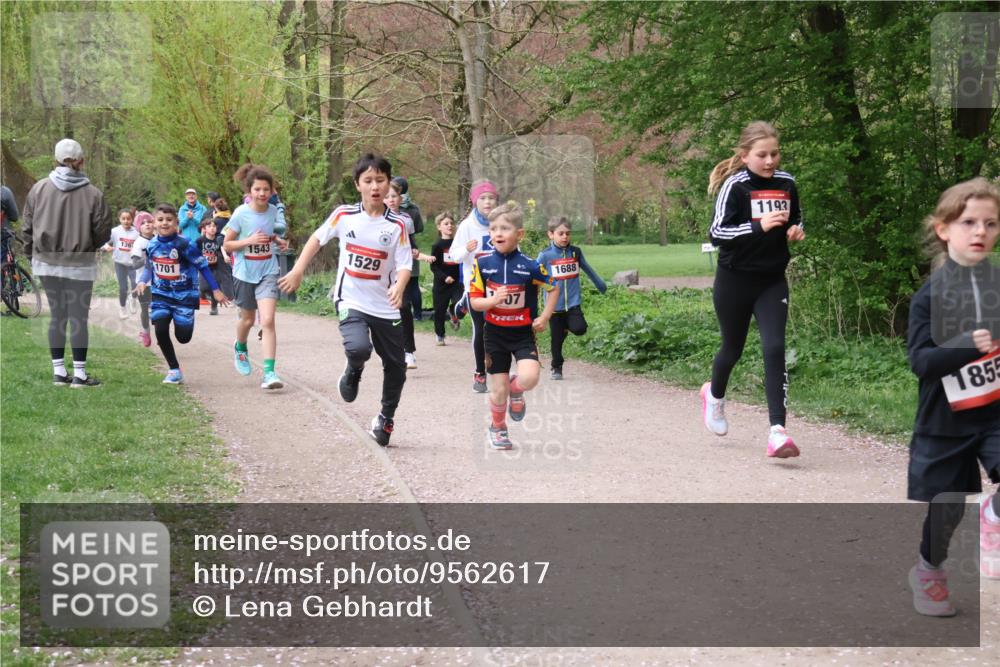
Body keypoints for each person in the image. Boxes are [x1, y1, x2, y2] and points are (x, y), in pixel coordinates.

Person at [905, 177, 1000, 617]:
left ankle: (993, 515)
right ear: (943, 229)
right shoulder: (931, 295)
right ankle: (929, 571)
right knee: (947, 510)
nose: (980, 231)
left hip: (994, 414)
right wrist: (965, 343)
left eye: (990, 223)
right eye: (968, 223)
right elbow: (922, 362)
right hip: (946, 422)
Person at [278, 153, 412, 447]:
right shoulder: (344, 215)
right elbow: (317, 238)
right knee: (359, 347)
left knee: (397, 365)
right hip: (350, 297)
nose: (375, 186)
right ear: (358, 185)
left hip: (384, 303)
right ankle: (354, 368)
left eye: (380, 180)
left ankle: (385, 418)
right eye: (368, 181)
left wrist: (400, 286)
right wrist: (298, 270)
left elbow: (405, 263)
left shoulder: (399, 225)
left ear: (389, 184)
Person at [701, 121, 804, 458]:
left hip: (772, 280)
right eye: (762, 155)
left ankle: (778, 431)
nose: (770, 160)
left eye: (775, 153)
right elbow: (717, 232)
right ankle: (714, 397)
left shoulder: (787, 183)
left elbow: (796, 219)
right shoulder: (736, 186)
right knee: (732, 349)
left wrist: (795, 231)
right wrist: (757, 226)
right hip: (734, 280)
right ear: (745, 156)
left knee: (774, 347)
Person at [468, 201, 559, 450]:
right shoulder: (483, 264)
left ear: (519, 234)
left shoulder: (530, 266)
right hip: (494, 334)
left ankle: (515, 391)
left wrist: (545, 316)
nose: (498, 233)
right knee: (497, 391)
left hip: (522, 334)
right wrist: (492, 300)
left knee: (530, 378)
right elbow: (474, 302)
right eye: (493, 228)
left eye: (505, 228)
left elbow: (554, 287)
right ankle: (498, 427)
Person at [22, 138, 112, 387]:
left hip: (47, 262)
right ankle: (80, 375)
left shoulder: (38, 190)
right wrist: (87, 245)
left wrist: (31, 255)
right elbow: (103, 231)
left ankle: (59, 372)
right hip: (80, 263)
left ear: (55, 159)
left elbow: (27, 227)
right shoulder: (94, 194)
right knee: (78, 318)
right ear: (81, 161)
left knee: (57, 316)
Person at [135, 204, 227, 384]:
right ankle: (174, 370)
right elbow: (149, 267)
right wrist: (142, 281)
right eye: (160, 220)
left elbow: (203, 266)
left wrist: (215, 289)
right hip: (161, 294)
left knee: (183, 337)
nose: (164, 223)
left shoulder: (185, 244)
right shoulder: (152, 244)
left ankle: (185, 323)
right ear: (154, 223)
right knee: (160, 329)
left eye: (169, 220)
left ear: (176, 222)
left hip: (184, 296)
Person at [223, 165, 288, 390]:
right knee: (248, 320)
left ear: (272, 191)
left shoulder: (273, 212)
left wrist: (277, 241)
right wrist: (248, 242)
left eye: (266, 189)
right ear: (249, 191)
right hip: (244, 273)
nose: (262, 193)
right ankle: (240, 346)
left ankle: (269, 372)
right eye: (257, 189)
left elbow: (269, 235)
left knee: (268, 320)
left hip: (268, 271)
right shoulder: (241, 213)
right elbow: (227, 244)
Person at [536, 216, 607, 380]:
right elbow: (534, 273)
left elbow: (587, 268)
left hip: (573, 303)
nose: (565, 237)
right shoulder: (545, 255)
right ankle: (556, 367)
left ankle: (566, 327)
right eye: (560, 233)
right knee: (556, 340)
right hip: (554, 307)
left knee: (580, 328)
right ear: (551, 234)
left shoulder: (575, 252)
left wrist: (600, 284)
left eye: (568, 233)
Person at [450, 179, 500, 392]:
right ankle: (480, 373)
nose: (487, 202)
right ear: (474, 201)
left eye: (491, 198)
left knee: (497, 329)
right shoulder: (467, 226)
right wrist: (466, 250)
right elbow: (454, 255)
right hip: (476, 288)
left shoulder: (501, 221)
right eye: (483, 198)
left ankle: (498, 367)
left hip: (498, 287)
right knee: (481, 330)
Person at [386, 179, 433, 368]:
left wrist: (415, 252)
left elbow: (411, 242)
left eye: (394, 196)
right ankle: (387, 348)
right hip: (380, 272)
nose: (390, 200)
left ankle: (409, 352)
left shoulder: (406, 219)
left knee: (404, 307)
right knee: (384, 313)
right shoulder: (375, 218)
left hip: (401, 270)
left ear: (400, 198)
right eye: (387, 196)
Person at [392, 176, 425, 321]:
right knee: (413, 285)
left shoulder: (388, 205)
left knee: (400, 284)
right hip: (412, 247)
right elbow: (419, 228)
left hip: (402, 249)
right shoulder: (414, 208)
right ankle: (417, 315)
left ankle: (398, 314)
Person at [430, 211, 464, 345]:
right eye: (446, 224)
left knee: (461, 304)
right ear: (439, 227)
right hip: (442, 284)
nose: (450, 226)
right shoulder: (437, 246)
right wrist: (444, 277)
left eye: (451, 223)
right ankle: (440, 335)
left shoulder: (459, 243)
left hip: (457, 282)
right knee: (439, 310)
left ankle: (454, 314)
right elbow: (434, 267)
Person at [102, 209, 140, 319]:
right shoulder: (115, 231)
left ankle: (133, 299)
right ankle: (122, 308)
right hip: (120, 263)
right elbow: (105, 243)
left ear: (132, 219)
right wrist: (106, 247)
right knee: (123, 288)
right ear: (119, 219)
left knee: (135, 285)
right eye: (123, 219)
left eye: (128, 219)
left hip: (133, 264)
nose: (126, 221)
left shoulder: (136, 233)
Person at [130, 211, 155, 347]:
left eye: (149, 222)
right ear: (139, 227)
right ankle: (145, 332)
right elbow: (134, 265)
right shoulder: (138, 243)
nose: (147, 225)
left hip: (158, 281)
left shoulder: (158, 239)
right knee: (145, 310)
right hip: (143, 283)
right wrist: (147, 257)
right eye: (143, 223)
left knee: (157, 309)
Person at [196, 217, 224, 315]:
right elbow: (194, 252)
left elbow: (222, 249)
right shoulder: (200, 240)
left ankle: (214, 307)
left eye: (214, 226)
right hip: (203, 268)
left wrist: (225, 256)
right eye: (209, 226)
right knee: (204, 288)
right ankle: (203, 295)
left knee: (214, 287)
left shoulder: (218, 240)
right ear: (204, 228)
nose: (212, 228)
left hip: (215, 267)